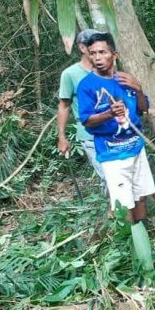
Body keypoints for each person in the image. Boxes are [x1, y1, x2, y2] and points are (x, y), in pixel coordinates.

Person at [77, 32, 155, 222]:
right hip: (112, 153)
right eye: (93, 53)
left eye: (102, 52)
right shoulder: (86, 86)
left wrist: (139, 88)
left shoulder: (125, 80)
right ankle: (130, 241)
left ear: (114, 55)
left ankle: (145, 234)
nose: (97, 58)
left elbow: (143, 109)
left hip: (136, 148)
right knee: (123, 202)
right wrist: (109, 113)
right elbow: (86, 120)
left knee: (141, 196)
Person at [57, 29, 107, 192]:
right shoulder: (70, 74)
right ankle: (117, 214)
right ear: (83, 48)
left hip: (113, 131)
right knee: (109, 176)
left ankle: (119, 212)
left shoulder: (106, 70)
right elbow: (64, 106)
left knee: (119, 175)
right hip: (90, 133)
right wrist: (62, 137)